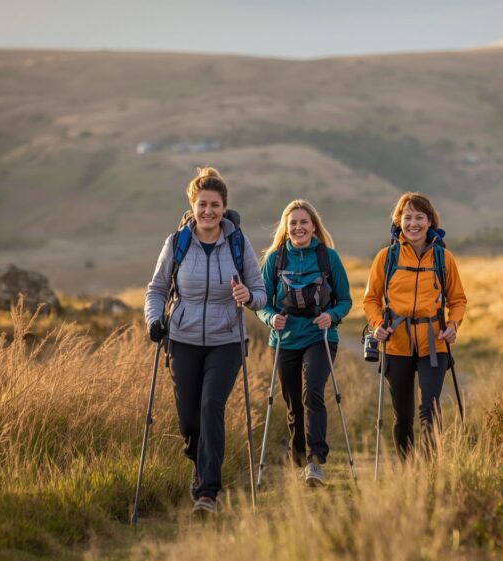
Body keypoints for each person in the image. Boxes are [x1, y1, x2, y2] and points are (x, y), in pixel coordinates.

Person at [144, 167, 266, 515]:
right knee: (189, 420)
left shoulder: (238, 243)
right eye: (202, 204)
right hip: (181, 339)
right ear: (193, 206)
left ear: (224, 207)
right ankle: (199, 465)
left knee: (212, 404)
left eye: (215, 205)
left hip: (226, 340)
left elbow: (260, 293)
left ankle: (208, 493)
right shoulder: (177, 243)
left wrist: (248, 295)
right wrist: (154, 320)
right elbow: (156, 289)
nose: (208, 211)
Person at [363, 192, 467, 459]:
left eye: (419, 217)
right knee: (404, 416)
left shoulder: (444, 259)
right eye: (407, 217)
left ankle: (430, 473)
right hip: (396, 345)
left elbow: (457, 300)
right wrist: (377, 326)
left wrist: (453, 324)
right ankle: (409, 472)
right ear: (398, 221)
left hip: (435, 343)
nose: (413, 223)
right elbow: (371, 300)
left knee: (430, 409)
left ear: (430, 221)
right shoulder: (386, 258)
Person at [256, 200, 352, 486]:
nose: (298, 227)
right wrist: (271, 318)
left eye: (303, 222)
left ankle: (314, 461)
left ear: (314, 226)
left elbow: (345, 300)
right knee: (292, 402)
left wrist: (331, 316)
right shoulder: (275, 260)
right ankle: (298, 458)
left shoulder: (328, 258)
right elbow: (261, 302)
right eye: (293, 223)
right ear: (286, 228)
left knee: (313, 392)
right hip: (284, 340)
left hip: (320, 337)